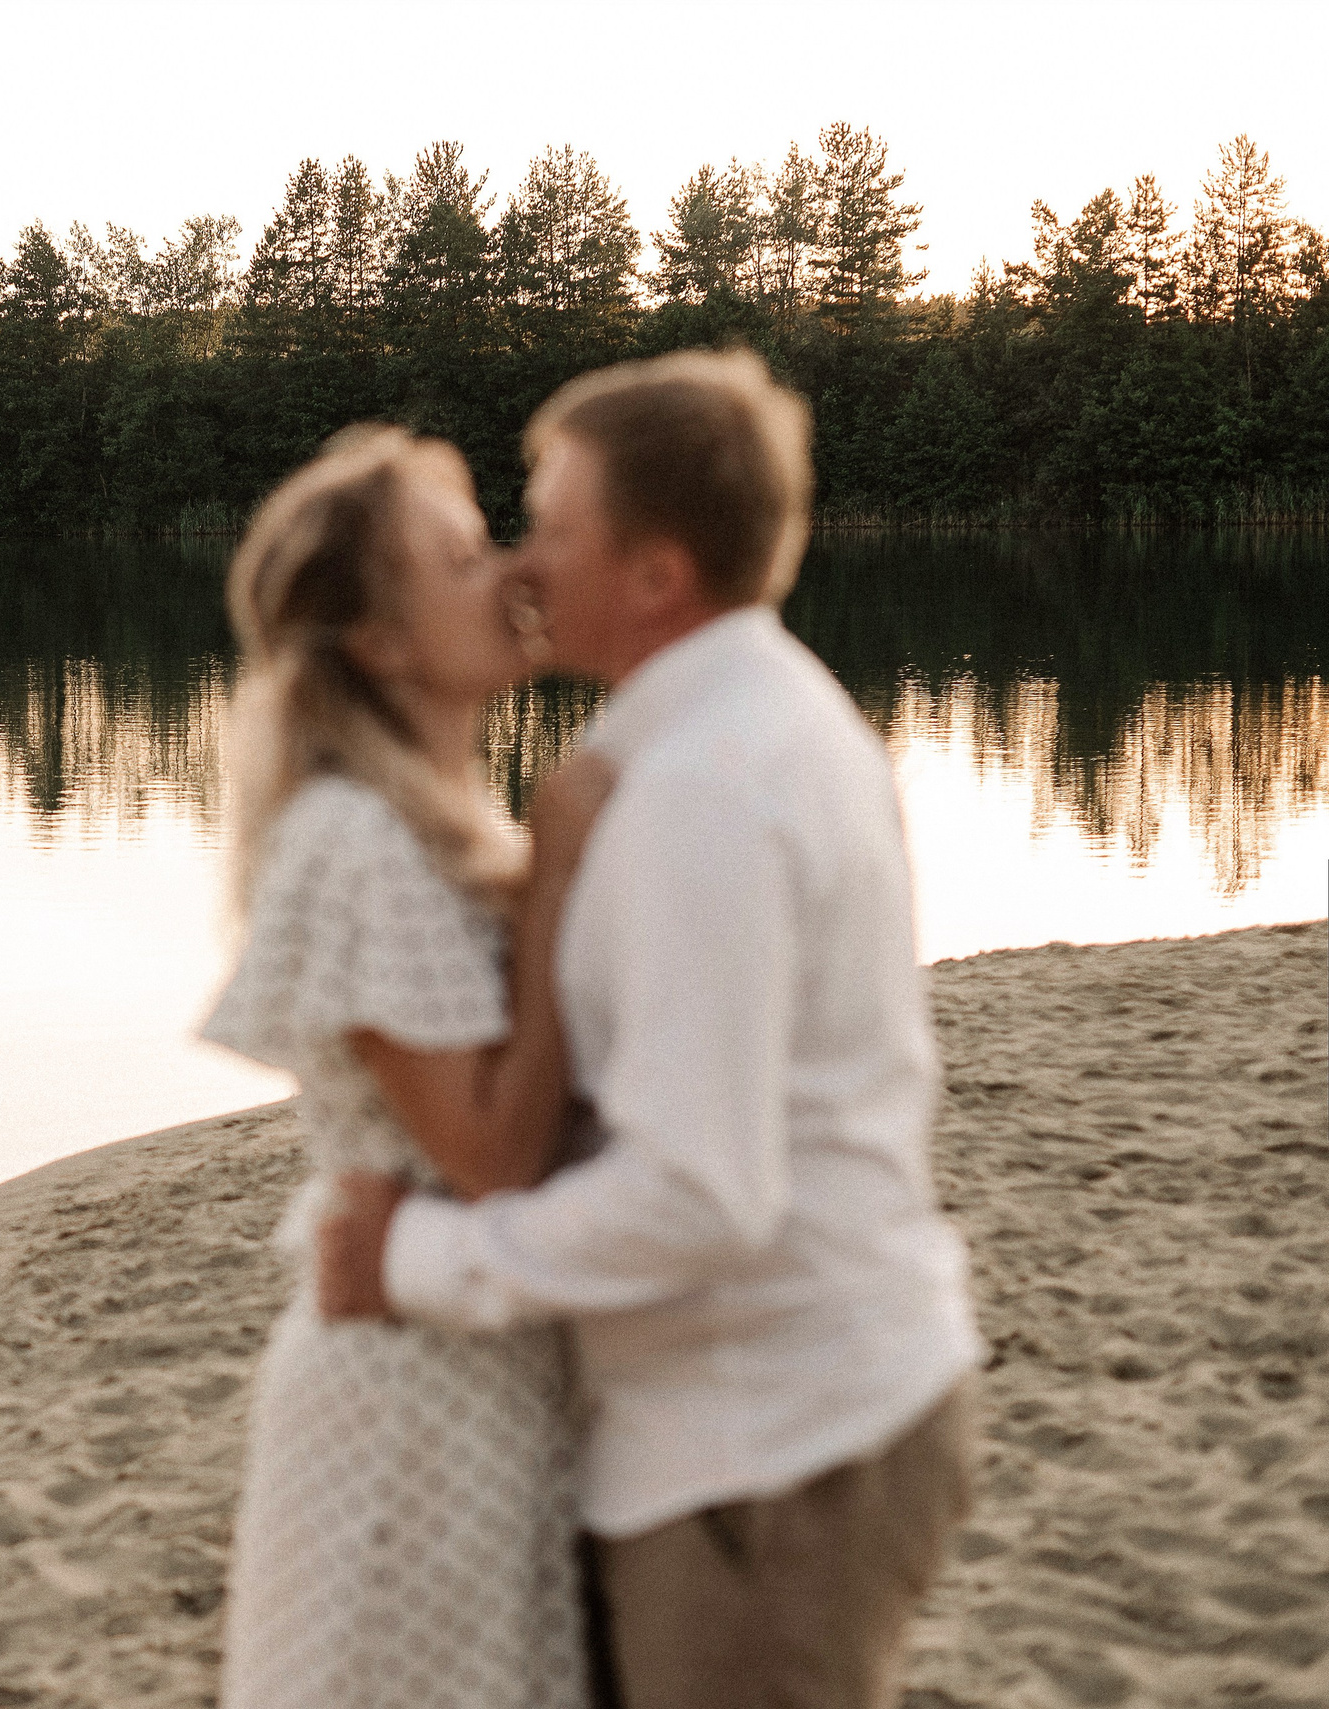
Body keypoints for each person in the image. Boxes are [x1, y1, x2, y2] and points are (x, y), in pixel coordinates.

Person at [314, 350, 984, 1709]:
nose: (520, 560)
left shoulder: (703, 793)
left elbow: (698, 1194)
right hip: (790, 1416)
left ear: (656, 573)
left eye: (554, 526)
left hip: (768, 1452)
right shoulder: (759, 723)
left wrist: (421, 1255)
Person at [199, 424, 613, 1709]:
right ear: (378, 641)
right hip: (402, 1395)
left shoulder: (442, 822)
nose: (505, 572)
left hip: (476, 1364)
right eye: (459, 555)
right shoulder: (350, 838)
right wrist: (558, 875)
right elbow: (486, 1147)